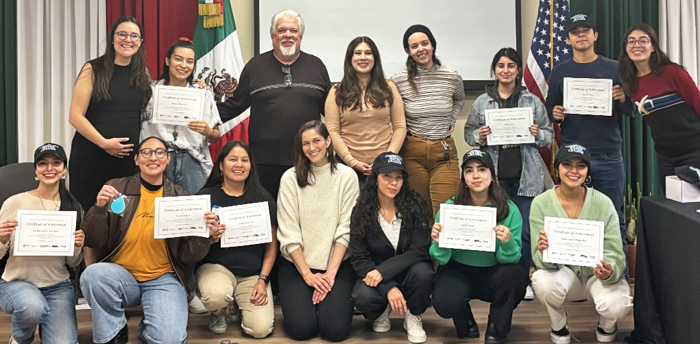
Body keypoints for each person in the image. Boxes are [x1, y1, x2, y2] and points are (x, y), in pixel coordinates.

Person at [79, 137, 219, 344]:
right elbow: (93, 239)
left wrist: (204, 237)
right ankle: (113, 333)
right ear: (136, 160)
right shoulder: (117, 189)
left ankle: (150, 325)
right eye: (146, 152)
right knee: (93, 275)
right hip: (121, 276)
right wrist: (99, 208)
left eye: (159, 152)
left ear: (168, 159)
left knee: (169, 340)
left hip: (164, 278)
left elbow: (186, 256)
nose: (153, 157)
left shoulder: (182, 198)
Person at [544, 14, 633, 277]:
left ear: (595, 36)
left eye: (586, 31)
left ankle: (618, 278)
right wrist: (555, 113)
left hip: (607, 154)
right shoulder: (560, 71)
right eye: (575, 32)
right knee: (575, 219)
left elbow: (631, 109)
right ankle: (580, 278)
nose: (581, 35)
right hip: (573, 157)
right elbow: (551, 107)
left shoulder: (615, 68)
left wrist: (622, 98)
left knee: (613, 217)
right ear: (568, 38)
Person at [465, 47, 554, 300]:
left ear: (517, 70)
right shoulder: (483, 102)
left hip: (527, 179)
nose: (506, 70)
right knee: (494, 230)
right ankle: (494, 280)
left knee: (524, 232)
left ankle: (522, 279)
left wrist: (537, 134)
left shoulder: (532, 101)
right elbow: (468, 134)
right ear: (494, 70)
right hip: (495, 180)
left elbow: (548, 137)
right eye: (501, 66)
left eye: (511, 66)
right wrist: (478, 135)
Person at [217, 8, 331, 202]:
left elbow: (331, 111)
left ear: (300, 36)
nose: (288, 35)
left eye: (293, 31)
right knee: (268, 217)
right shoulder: (255, 66)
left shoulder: (316, 66)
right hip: (265, 163)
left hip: (308, 158)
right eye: (282, 30)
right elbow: (234, 105)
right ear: (272, 35)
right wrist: (199, 111)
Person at [530, 143, 632, 344]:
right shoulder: (541, 203)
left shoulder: (603, 203)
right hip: (564, 273)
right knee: (542, 281)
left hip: (597, 274)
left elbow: (615, 252)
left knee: (617, 305)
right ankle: (558, 326)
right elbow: (540, 260)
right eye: (567, 164)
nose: (574, 171)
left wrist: (609, 270)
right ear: (557, 168)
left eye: (581, 166)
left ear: (588, 171)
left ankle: (607, 325)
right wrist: (543, 251)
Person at [430, 149, 527, 344]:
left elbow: (511, 259)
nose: (476, 175)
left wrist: (506, 242)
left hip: (494, 272)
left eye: (482, 169)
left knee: (514, 277)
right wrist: (439, 243)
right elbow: (441, 258)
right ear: (463, 177)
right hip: (459, 270)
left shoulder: (509, 209)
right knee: (444, 302)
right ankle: (465, 320)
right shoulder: (451, 208)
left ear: (492, 175)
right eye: (469, 170)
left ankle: (497, 327)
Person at [276, 120, 359, 341]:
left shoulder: (347, 176)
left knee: (335, 331)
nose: (312, 148)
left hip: (337, 265)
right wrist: (308, 276)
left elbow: (346, 229)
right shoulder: (290, 178)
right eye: (305, 143)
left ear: (328, 141)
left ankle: (325, 304)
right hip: (297, 265)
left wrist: (330, 275)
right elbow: (288, 232)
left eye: (316, 141)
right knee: (301, 330)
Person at [0, 143, 84, 344]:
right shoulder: (15, 202)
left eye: (56, 163)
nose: (49, 168)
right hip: (16, 282)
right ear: (36, 170)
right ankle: (21, 336)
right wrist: (1, 239)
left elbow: (73, 263)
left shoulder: (74, 207)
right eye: (43, 163)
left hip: (58, 286)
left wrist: (77, 245)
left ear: (64, 169)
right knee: (32, 308)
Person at [68, 16, 152, 212]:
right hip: (91, 157)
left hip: (125, 163)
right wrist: (104, 143)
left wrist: (197, 89)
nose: (127, 39)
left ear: (140, 42)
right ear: (112, 38)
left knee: (120, 218)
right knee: (90, 215)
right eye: (122, 34)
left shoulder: (143, 75)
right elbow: (75, 116)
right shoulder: (93, 69)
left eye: (134, 35)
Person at [195, 141, 277, 338]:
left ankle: (236, 305)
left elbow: (272, 246)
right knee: (216, 295)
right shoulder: (205, 197)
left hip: (252, 275)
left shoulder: (263, 198)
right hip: (216, 269)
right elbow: (190, 246)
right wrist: (209, 238)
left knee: (260, 330)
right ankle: (219, 311)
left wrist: (262, 280)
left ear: (251, 166)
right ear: (221, 166)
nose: (239, 164)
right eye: (232, 159)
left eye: (244, 160)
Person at [349, 152, 433, 343]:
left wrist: (383, 271)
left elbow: (419, 249)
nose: (393, 183)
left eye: (399, 177)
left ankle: (413, 314)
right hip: (375, 276)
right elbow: (359, 258)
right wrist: (388, 287)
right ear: (375, 177)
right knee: (361, 296)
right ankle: (383, 308)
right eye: (387, 176)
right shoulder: (361, 210)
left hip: (407, 270)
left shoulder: (416, 204)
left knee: (424, 274)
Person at [391, 24, 466, 217]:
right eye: (414, 46)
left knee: (447, 211)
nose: (420, 49)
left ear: (433, 45)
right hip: (412, 151)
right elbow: (391, 112)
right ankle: (422, 249)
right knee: (418, 213)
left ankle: (442, 249)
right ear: (408, 51)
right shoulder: (398, 80)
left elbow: (459, 99)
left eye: (425, 43)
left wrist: (451, 118)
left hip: (444, 152)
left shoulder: (451, 76)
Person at [618, 23, 700, 183]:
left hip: (694, 150)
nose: (637, 45)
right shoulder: (630, 84)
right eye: (631, 41)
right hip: (665, 156)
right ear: (626, 48)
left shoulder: (673, 73)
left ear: (653, 46)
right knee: (670, 205)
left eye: (643, 40)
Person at [141, 38, 222, 195]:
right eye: (178, 59)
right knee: (155, 212)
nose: (184, 65)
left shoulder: (202, 93)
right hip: (157, 159)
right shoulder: (149, 92)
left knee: (194, 212)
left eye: (189, 61)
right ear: (167, 60)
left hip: (192, 161)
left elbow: (216, 136)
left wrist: (207, 131)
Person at [326, 37, 407, 182]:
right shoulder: (337, 91)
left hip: (385, 169)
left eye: (368, 53)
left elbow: (400, 127)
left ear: (375, 58)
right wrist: (352, 162)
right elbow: (332, 130)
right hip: (347, 168)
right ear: (350, 58)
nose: (363, 57)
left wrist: (386, 159)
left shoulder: (389, 87)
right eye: (357, 53)